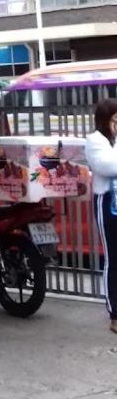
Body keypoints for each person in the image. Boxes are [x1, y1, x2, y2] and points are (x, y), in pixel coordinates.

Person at [85, 99, 117, 333]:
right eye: (115, 120)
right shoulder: (95, 140)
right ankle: (115, 314)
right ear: (105, 121)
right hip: (107, 202)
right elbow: (108, 167)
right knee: (113, 259)